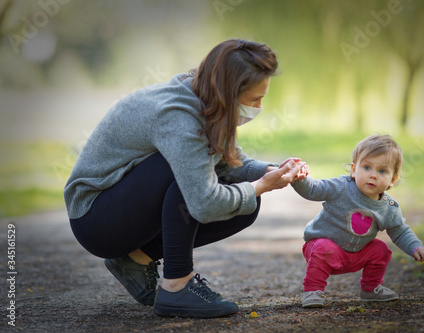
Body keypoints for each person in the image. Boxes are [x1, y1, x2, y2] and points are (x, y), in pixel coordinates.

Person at [64, 39, 306, 318]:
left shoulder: (203, 97)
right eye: (255, 100)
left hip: (119, 209)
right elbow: (203, 203)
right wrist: (261, 185)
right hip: (95, 219)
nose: (259, 107)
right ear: (229, 92)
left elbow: (229, 161)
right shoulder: (179, 118)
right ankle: (176, 286)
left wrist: (269, 172)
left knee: (244, 204)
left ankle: (134, 260)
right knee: (193, 174)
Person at [291, 135, 424, 308]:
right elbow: (313, 190)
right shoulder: (341, 187)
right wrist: (300, 178)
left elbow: (399, 230)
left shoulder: (389, 208)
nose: (373, 176)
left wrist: (415, 246)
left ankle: (370, 289)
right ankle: (312, 291)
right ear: (354, 170)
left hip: (356, 254)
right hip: (322, 249)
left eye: (382, 171)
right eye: (367, 167)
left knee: (380, 250)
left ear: (392, 179)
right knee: (323, 248)